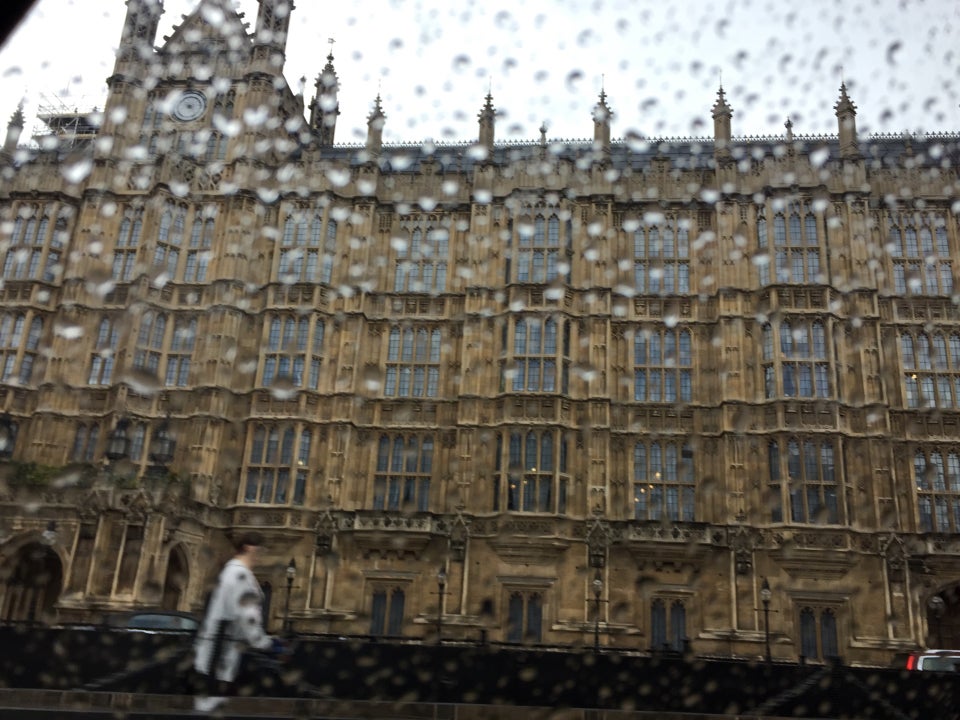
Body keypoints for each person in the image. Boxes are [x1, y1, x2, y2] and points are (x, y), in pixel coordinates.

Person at [193, 531, 279, 713]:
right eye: (260, 550)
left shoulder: (231, 572)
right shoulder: (239, 575)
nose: (261, 556)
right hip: (220, 654)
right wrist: (265, 643)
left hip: (218, 651)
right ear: (249, 548)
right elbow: (247, 615)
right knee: (215, 705)